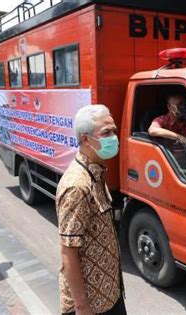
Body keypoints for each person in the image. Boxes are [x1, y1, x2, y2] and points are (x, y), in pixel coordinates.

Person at [56, 105, 126, 315]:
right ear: (85, 139)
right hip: (92, 306)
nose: (113, 137)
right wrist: (82, 306)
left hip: (110, 293)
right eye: (106, 133)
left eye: (113, 130)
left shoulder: (96, 171)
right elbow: (68, 251)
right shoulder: (77, 186)